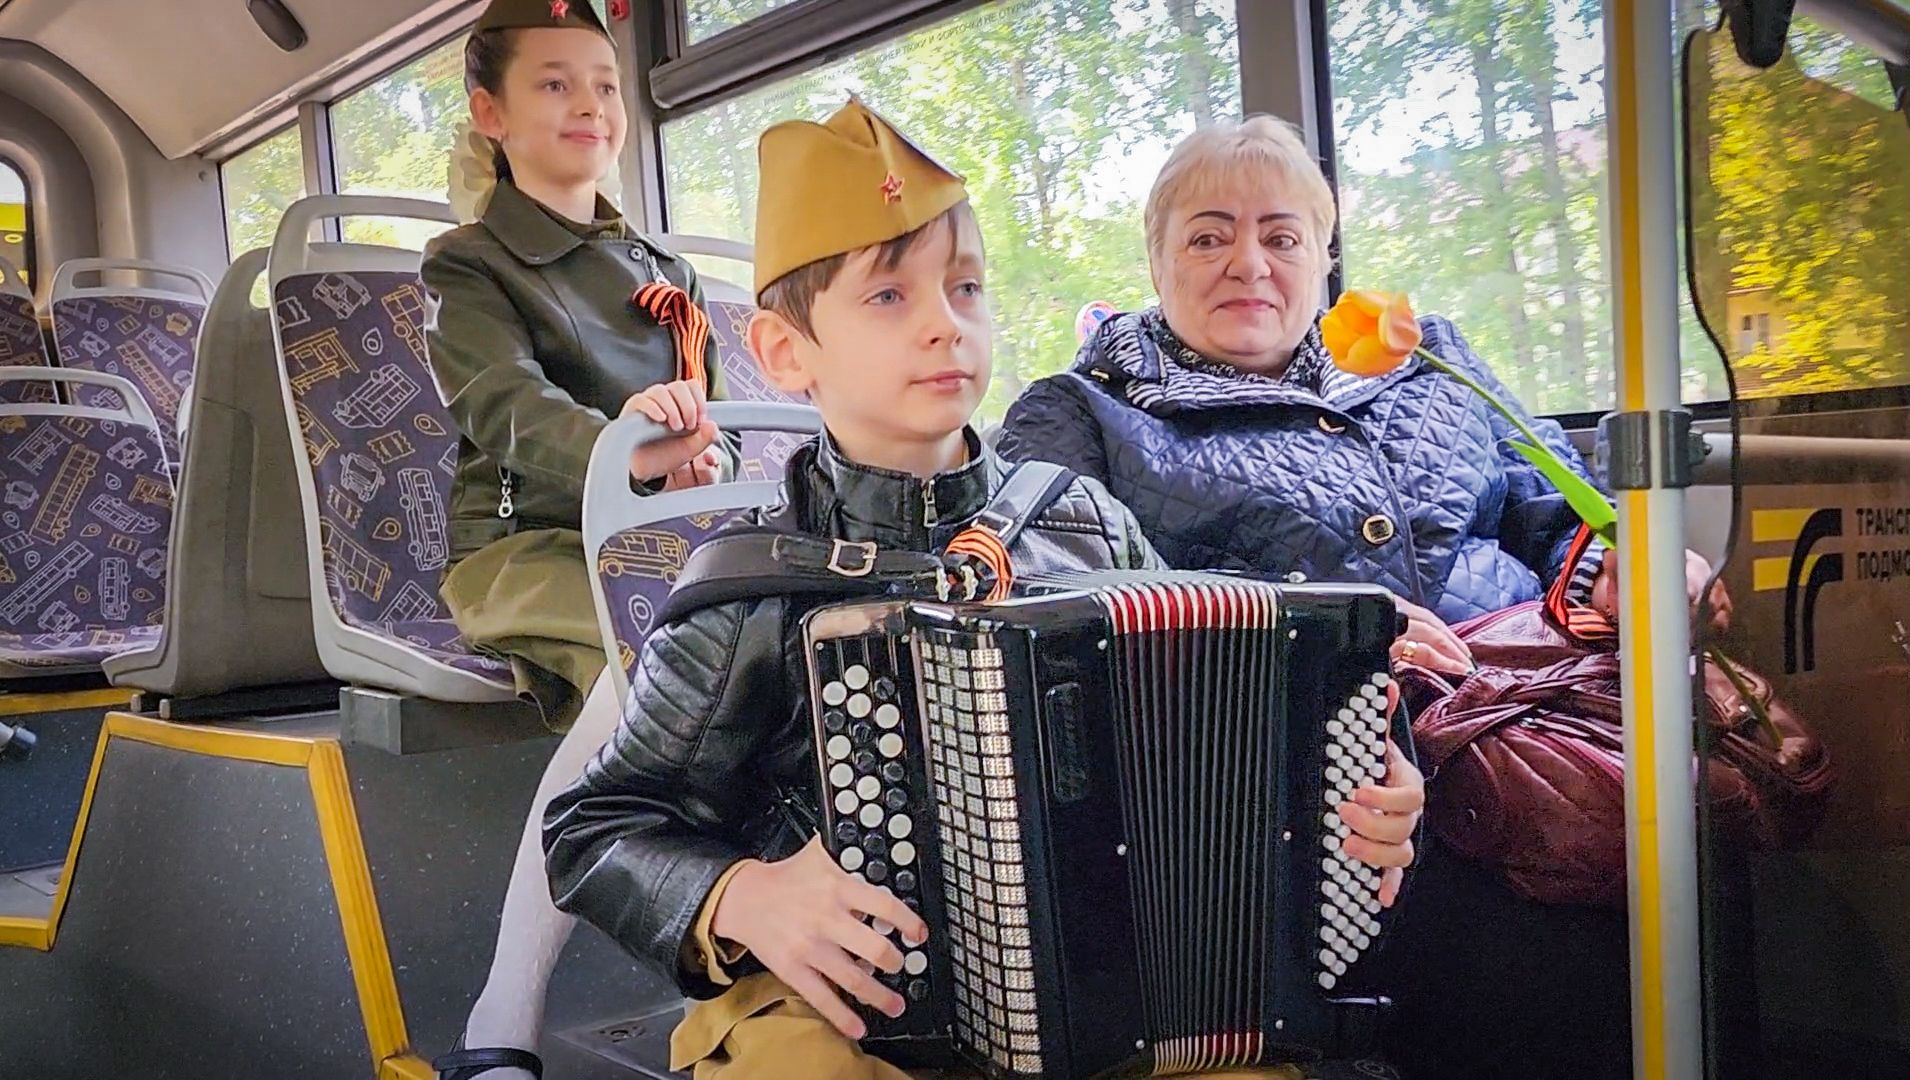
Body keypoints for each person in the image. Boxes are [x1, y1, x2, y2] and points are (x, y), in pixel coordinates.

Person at [541, 98, 1427, 1080]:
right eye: (889, 297)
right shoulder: (748, 586)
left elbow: (1229, 728)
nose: (944, 326)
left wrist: (1366, 785)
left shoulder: (1085, 524)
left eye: (966, 289)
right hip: (847, 996)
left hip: (1114, 981)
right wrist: (742, 897)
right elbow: (594, 831)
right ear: (788, 353)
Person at [995, 116, 1728, 1079]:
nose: (1248, 263)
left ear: (1324, 257)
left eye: (1282, 235)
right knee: (1515, 948)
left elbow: (1553, 509)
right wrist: (1330, 637)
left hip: (1530, 706)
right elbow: (1056, 616)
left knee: (1708, 876)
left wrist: (1625, 566)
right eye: (1209, 236)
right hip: (1301, 777)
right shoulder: (1082, 414)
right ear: (1158, 259)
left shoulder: (1431, 362)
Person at [419, 2, 732, 1077]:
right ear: (489, 112)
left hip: (665, 538)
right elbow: (500, 403)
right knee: (656, 649)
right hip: (526, 545)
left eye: (603, 84)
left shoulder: (664, 269)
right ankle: (502, 1016)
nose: (591, 104)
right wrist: (627, 452)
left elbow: (716, 421)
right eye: (555, 83)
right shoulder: (470, 265)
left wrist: (703, 462)